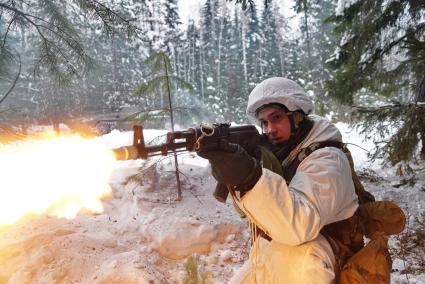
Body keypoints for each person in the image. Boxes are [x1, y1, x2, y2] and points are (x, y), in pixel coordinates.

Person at [197, 77, 358, 283]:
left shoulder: (327, 159)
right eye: (264, 122)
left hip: (319, 256)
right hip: (277, 247)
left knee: (306, 259)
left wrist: (250, 177)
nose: (270, 129)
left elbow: (298, 228)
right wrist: (235, 172)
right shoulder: (282, 152)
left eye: (277, 118)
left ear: (298, 116)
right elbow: (250, 212)